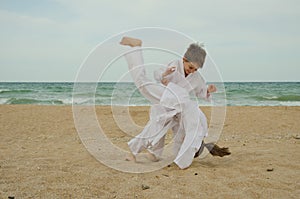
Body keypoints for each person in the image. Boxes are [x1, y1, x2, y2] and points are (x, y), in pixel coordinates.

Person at [120, 36, 217, 169]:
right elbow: (158, 75)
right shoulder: (174, 64)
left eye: (195, 69)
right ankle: (136, 47)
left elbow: (200, 91)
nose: (192, 71)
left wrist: (208, 90)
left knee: (161, 125)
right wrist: (164, 74)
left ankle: (154, 153)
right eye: (190, 67)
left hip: (178, 104)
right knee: (142, 83)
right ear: (184, 59)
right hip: (166, 95)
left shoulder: (197, 78)